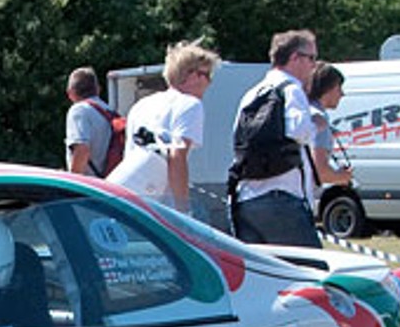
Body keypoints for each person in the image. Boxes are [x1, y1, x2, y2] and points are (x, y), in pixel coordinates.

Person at [229, 29, 322, 247]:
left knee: (264, 277)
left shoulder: (253, 93)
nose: (314, 65)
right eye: (311, 58)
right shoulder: (291, 89)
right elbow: (299, 132)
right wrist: (316, 125)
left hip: (247, 199)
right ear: (294, 58)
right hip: (283, 198)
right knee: (309, 273)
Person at [109, 41, 219, 212]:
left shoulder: (142, 105)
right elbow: (177, 157)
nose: (209, 82)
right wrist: (183, 209)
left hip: (129, 197)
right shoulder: (190, 105)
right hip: (160, 206)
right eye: (207, 75)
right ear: (192, 76)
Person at [306, 61, 354, 199]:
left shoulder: (302, 111)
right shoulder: (318, 119)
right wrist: (343, 177)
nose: (342, 94)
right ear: (328, 88)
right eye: (339, 88)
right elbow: (320, 171)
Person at [64, 67, 115, 176]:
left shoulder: (79, 110)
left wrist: (74, 183)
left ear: (70, 93)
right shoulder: (109, 112)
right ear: (98, 89)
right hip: (111, 183)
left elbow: (82, 149)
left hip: (90, 186)